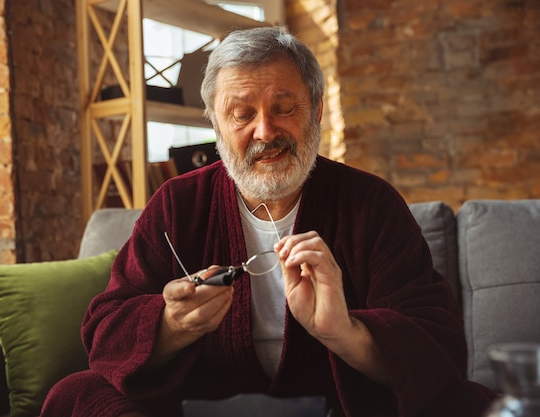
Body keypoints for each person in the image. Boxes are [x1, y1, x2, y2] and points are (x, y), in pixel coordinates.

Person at [42, 27, 495, 417]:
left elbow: (439, 346)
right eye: (242, 114)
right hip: (198, 404)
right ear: (217, 127)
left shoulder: (371, 202)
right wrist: (171, 324)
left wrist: (344, 331)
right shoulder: (177, 203)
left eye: (285, 107)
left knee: (474, 403)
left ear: (316, 111)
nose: (265, 132)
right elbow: (104, 335)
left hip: (339, 405)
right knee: (75, 395)